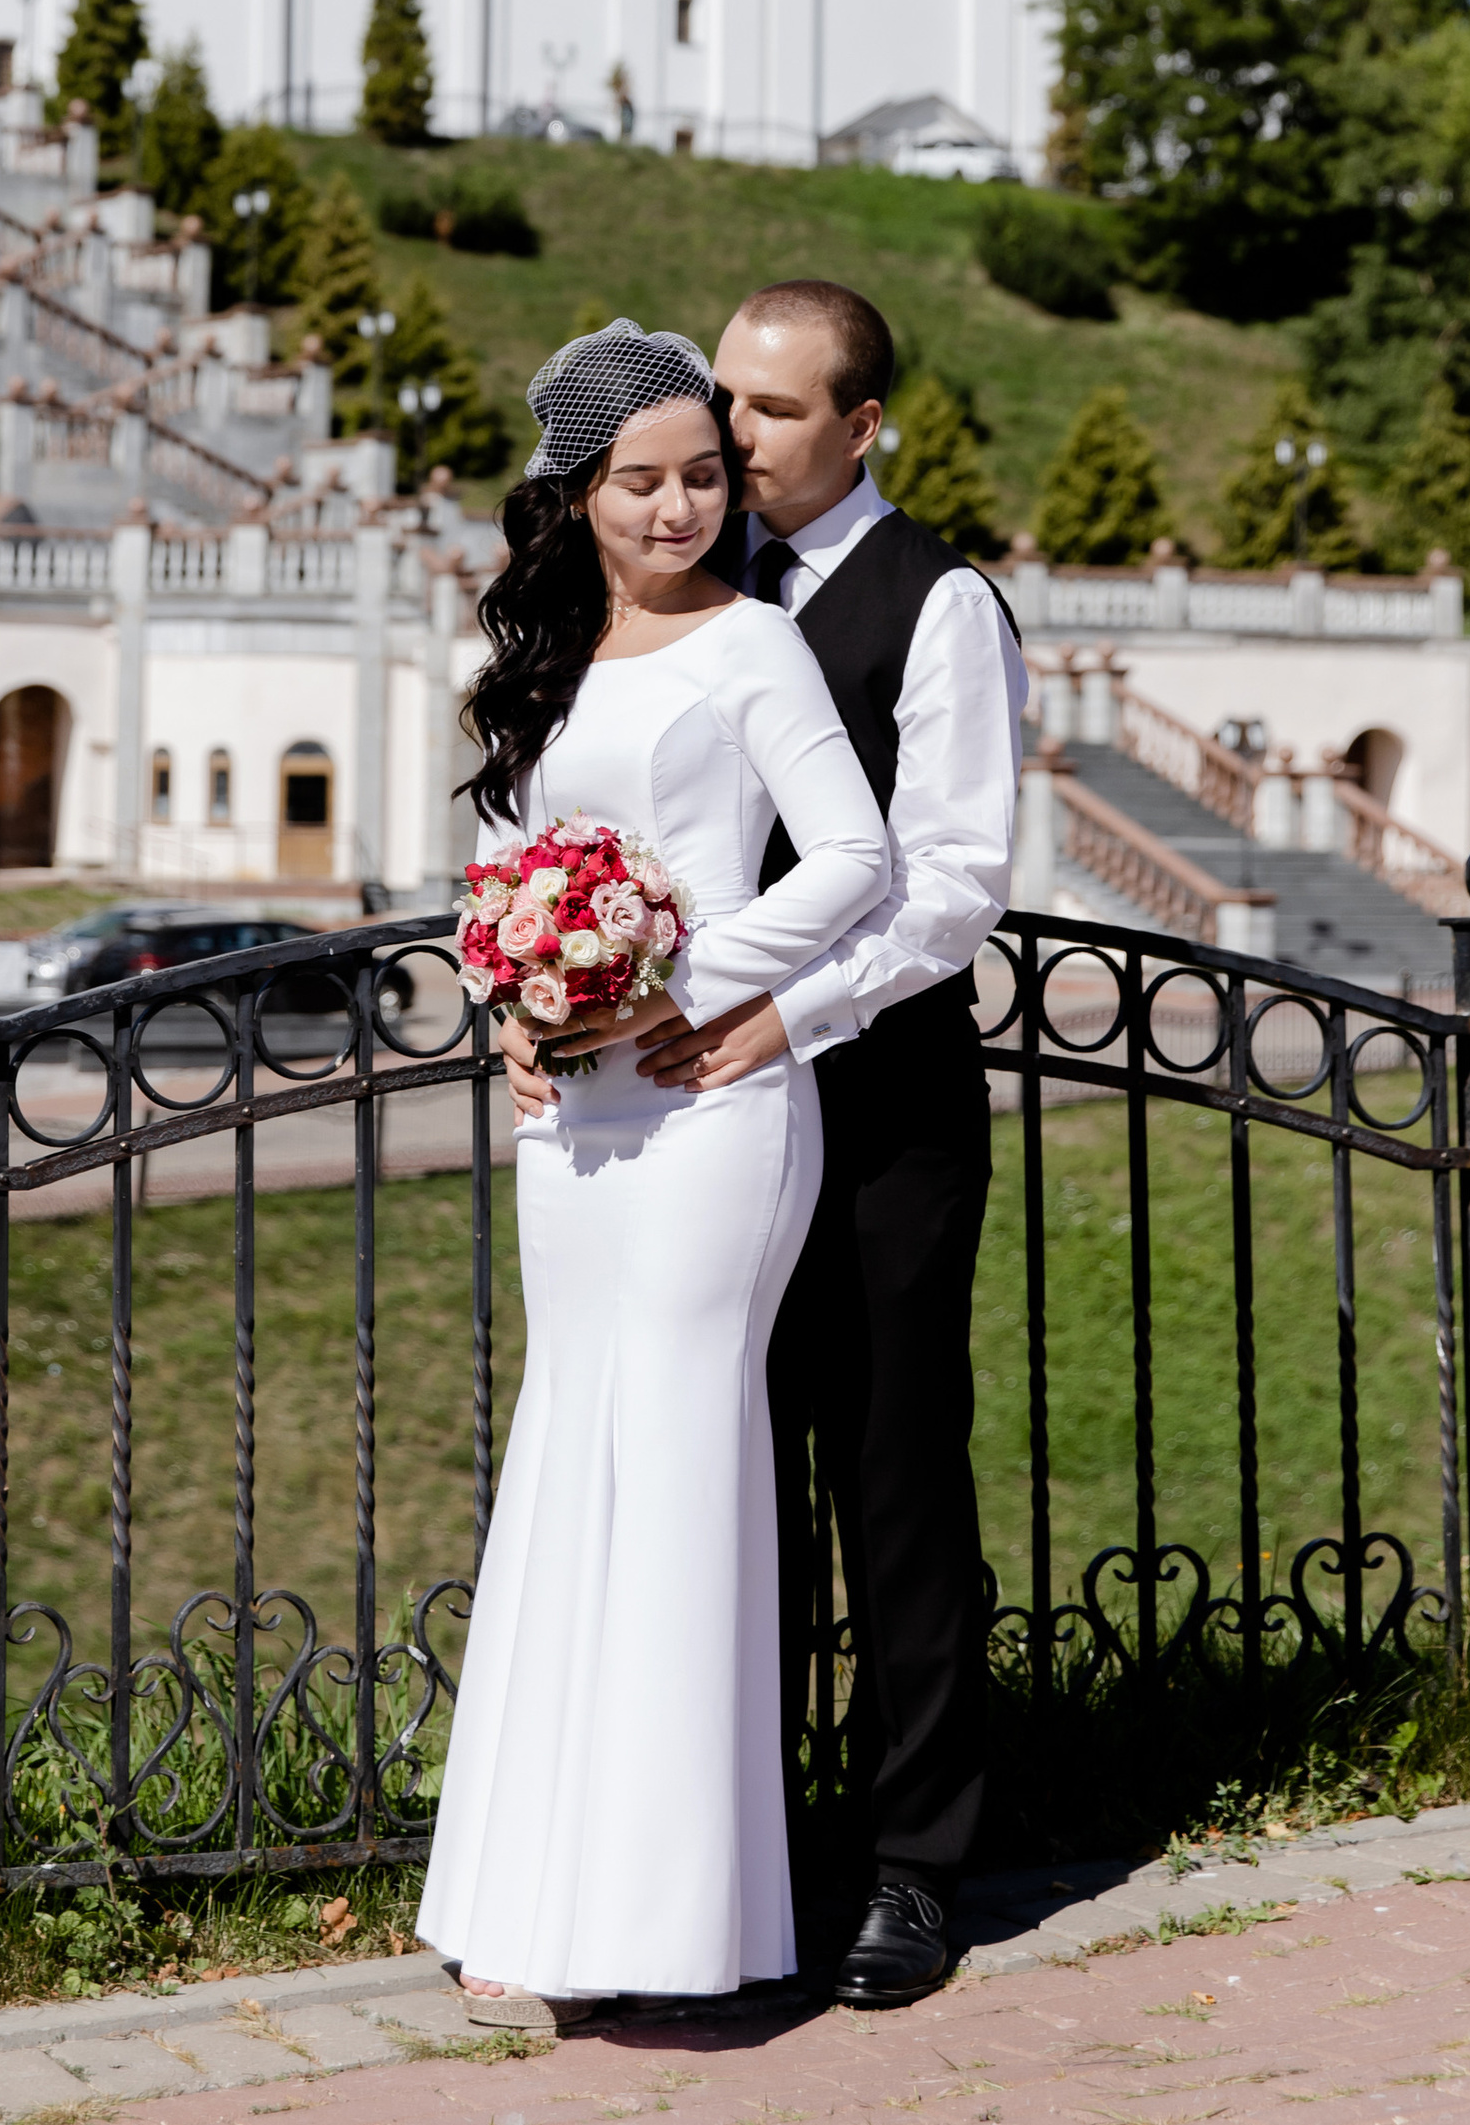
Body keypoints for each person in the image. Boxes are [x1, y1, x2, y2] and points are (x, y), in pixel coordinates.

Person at [506, 278, 1025, 2007]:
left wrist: (766, 1018)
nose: (729, 435)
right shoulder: (675, 595)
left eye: (774, 412)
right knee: (728, 1475)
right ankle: (742, 1852)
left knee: (887, 1475)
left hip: (874, 1110)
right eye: (721, 396)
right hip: (676, 1112)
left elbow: (947, 882)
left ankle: (916, 1867)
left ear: (863, 427)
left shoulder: (934, 603)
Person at [416, 318, 889, 2029]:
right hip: (576, 1122)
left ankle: (670, 1922)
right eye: (643, 481)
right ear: (578, 493)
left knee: (683, 1462)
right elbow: (490, 866)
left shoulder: (760, 650)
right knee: (574, 1446)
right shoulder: (537, 661)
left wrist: (674, 978)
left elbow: (858, 858)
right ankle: (527, 1897)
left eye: (704, 475)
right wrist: (517, 1014)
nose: (682, 506)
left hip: (708, 1107)